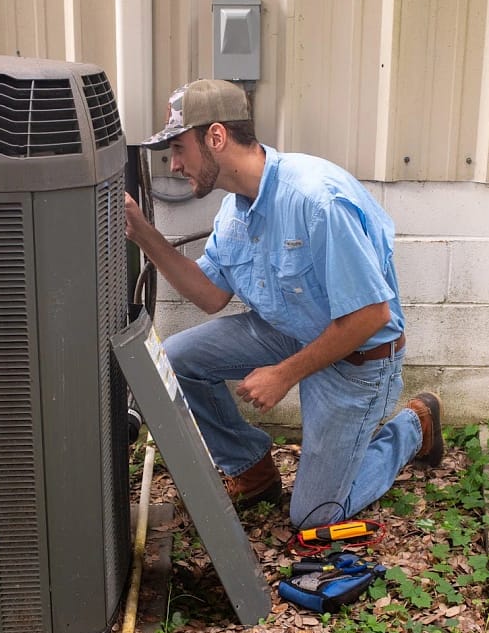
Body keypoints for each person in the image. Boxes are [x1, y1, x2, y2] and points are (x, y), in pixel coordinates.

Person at [125, 78, 443, 529]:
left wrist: (284, 374)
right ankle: (251, 470)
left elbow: (372, 315)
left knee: (313, 519)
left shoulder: (316, 201)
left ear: (216, 137)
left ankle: (413, 428)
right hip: (290, 330)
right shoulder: (236, 207)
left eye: (179, 148)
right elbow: (210, 295)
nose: (174, 165)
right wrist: (143, 233)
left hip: (357, 357)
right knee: (175, 359)